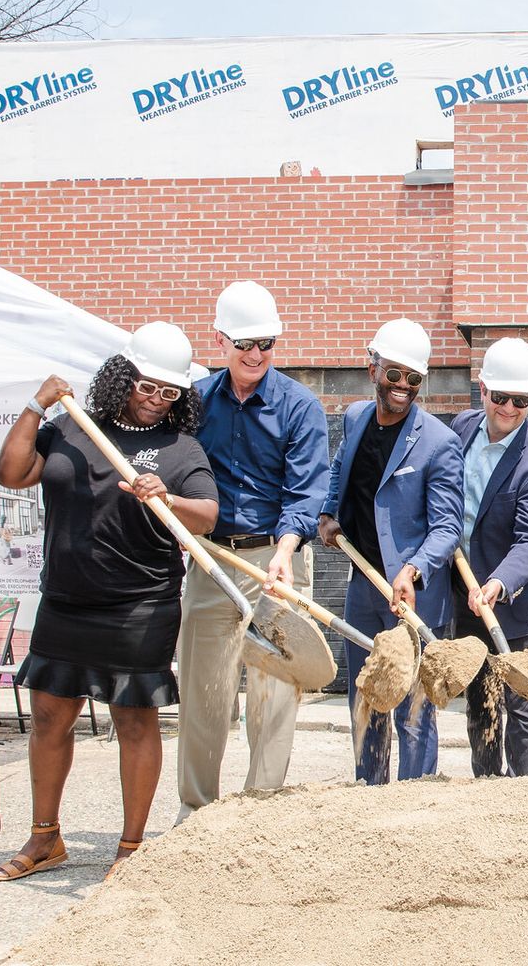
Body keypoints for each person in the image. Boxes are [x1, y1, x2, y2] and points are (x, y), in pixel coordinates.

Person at [0, 324, 218, 881]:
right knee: (49, 717)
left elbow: (208, 516)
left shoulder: (181, 448)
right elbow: (11, 472)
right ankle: (45, 838)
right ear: (123, 375)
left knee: (135, 723)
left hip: (140, 606)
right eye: (147, 385)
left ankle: (132, 848)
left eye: (170, 393)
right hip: (66, 600)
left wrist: (168, 495)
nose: (155, 399)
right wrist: (33, 407)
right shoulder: (71, 427)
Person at [176, 282, 330, 820]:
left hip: (276, 558)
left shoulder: (300, 407)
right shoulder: (194, 401)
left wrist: (286, 550)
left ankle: (258, 814)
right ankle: (196, 812)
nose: (255, 354)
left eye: (265, 343)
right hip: (212, 559)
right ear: (219, 340)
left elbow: (307, 491)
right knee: (204, 691)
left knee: (273, 694)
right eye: (244, 343)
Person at [317, 319, 463, 784]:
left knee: (413, 712)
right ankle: (369, 794)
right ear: (372, 367)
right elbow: (341, 468)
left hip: (412, 599)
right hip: (364, 585)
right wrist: (326, 512)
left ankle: (414, 805)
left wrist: (414, 569)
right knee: (366, 700)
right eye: (394, 374)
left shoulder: (441, 443)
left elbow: (447, 528)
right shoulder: (356, 417)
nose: (402, 387)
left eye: (413, 379)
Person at [450, 338, 528, 776]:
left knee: (520, 709)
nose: (510, 409)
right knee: (481, 703)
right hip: (466, 595)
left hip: (516, 606)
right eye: (501, 397)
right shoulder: (461, 430)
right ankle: (486, 790)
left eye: (522, 400)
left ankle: (524, 797)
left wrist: (497, 583)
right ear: (483, 390)